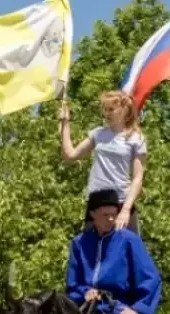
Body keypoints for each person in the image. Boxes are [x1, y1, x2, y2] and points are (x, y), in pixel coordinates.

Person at [60, 90, 146, 231]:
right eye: (105, 110)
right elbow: (70, 155)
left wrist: (125, 210)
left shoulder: (136, 139)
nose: (107, 114)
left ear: (124, 110)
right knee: (90, 251)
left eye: (111, 109)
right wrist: (65, 123)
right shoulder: (98, 134)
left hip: (121, 204)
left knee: (126, 251)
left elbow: (138, 178)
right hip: (96, 203)